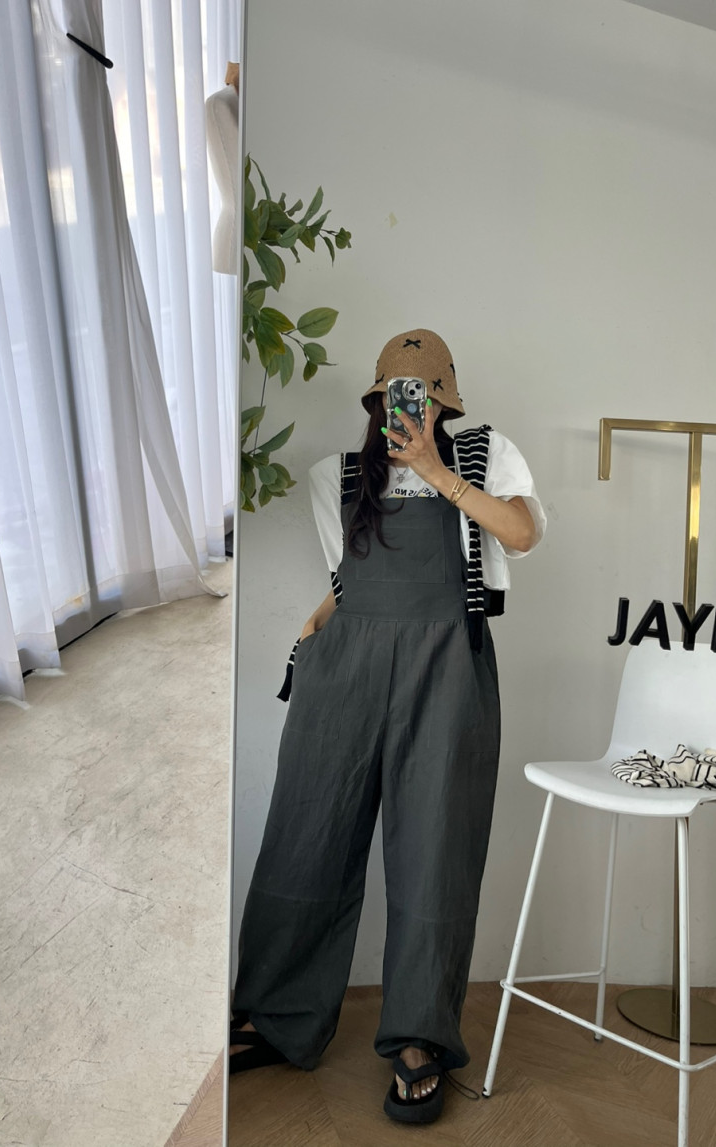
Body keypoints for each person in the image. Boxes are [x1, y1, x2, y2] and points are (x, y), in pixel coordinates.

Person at [229, 329, 546, 1125]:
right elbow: (351, 578)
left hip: (448, 669)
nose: (412, 408)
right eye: (398, 395)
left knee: (435, 853)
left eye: (427, 396)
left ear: (446, 403)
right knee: (306, 836)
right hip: (347, 670)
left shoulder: (488, 456)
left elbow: (521, 534)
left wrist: (437, 472)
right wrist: (315, 623)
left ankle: (417, 1037)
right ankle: (277, 1014)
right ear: (376, 401)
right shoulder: (335, 477)